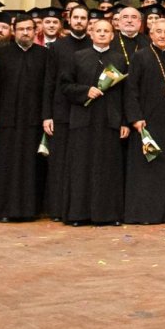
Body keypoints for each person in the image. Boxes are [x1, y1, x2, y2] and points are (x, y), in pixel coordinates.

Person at [62, 17, 130, 226]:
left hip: (110, 121)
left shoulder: (119, 60)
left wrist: (125, 122)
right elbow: (65, 86)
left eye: (106, 31)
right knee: (81, 167)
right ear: (91, 33)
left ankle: (108, 214)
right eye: (98, 30)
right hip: (83, 120)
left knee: (108, 168)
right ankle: (78, 214)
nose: (101, 34)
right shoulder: (78, 57)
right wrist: (85, 91)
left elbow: (125, 94)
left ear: (112, 35)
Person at [0, 14, 53, 221]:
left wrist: (47, 116)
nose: (25, 33)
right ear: (14, 31)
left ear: (36, 31)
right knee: (5, 164)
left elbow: (48, 88)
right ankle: (3, 210)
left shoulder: (45, 55)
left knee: (31, 167)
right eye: (21, 29)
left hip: (33, 121)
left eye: (29, 29)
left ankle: (30, 210)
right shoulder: (1, 54)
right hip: (7, 120)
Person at [123, 20, 165, 224]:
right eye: (158, 31)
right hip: (145, 122)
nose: (162, 35)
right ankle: (143, 214)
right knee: (145, 168)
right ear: (150, 33)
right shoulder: (140, 56)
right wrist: (136, 117)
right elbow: (131, 90)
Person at [42, 3, 89, 220]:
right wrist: (47, 115)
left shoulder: (94, 44)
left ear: (88, 22)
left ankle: (79, 207)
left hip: (86, 112)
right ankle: (59, 209)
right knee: (60, 162)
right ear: (68, 20)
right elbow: (49, 82)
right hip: (61, 111)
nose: (79, 21)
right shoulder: (57, 47)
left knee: (80, 161)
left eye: (83, 18)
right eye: (76, 17)